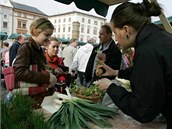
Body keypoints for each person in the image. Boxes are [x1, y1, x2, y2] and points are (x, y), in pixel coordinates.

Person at [96, 1, 172, 129]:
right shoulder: (158, 38)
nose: (116, 39)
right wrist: (116, 72)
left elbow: (143, 110)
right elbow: (150, 75)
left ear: (126, 30)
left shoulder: (146, 49)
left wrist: (111, 87)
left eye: (115, 33)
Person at [13, 17, 57, 93]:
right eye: (46, 35)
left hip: (35, 93)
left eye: (50, 36)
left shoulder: (39, 48)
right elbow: (19, 72)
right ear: (35, 31)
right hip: (28, 96)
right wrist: (47, 77)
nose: (48, 38)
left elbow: (39, 68)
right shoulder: (26, 47)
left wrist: (53, 70)